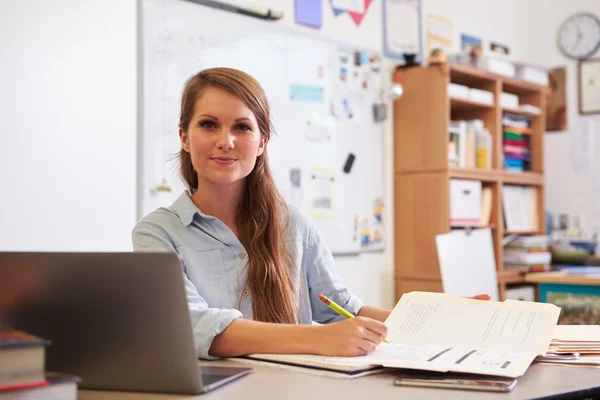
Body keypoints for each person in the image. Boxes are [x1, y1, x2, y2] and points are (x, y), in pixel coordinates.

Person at [133, 67, 489, 360]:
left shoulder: (295, 225)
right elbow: (194, 325)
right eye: (209, 124)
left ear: (261, 143)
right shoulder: (157, 233)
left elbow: (343, 309)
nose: (226, 140)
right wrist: (320, 339)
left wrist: (445, 318)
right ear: (184, 136)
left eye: (242, 127)